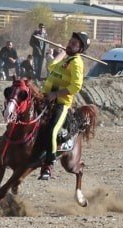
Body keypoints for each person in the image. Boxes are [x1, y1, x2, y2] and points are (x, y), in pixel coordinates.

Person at [36, 31, 89, 180]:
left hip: (60, 104)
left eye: (74, 44)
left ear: (80, 49)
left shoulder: (77, 62)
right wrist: (59, 53)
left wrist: (56, 95)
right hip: (44, 98)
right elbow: (51, 67)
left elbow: (76, 86)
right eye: (70, 42)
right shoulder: (66, 59)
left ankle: (48, 165)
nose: (70, 44)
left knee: (52, 130)